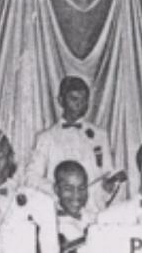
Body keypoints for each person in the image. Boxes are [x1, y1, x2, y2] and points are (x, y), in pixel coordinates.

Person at [26, 77, 124, 212]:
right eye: (74, 99)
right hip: (57, 212)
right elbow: (32, 177)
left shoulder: (100, 135)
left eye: (83, 100)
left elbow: (107, 173)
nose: (79, 105)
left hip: (92, 212)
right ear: (61, 100)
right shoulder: (46, 138)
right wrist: (61, 193)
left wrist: (109, 185)